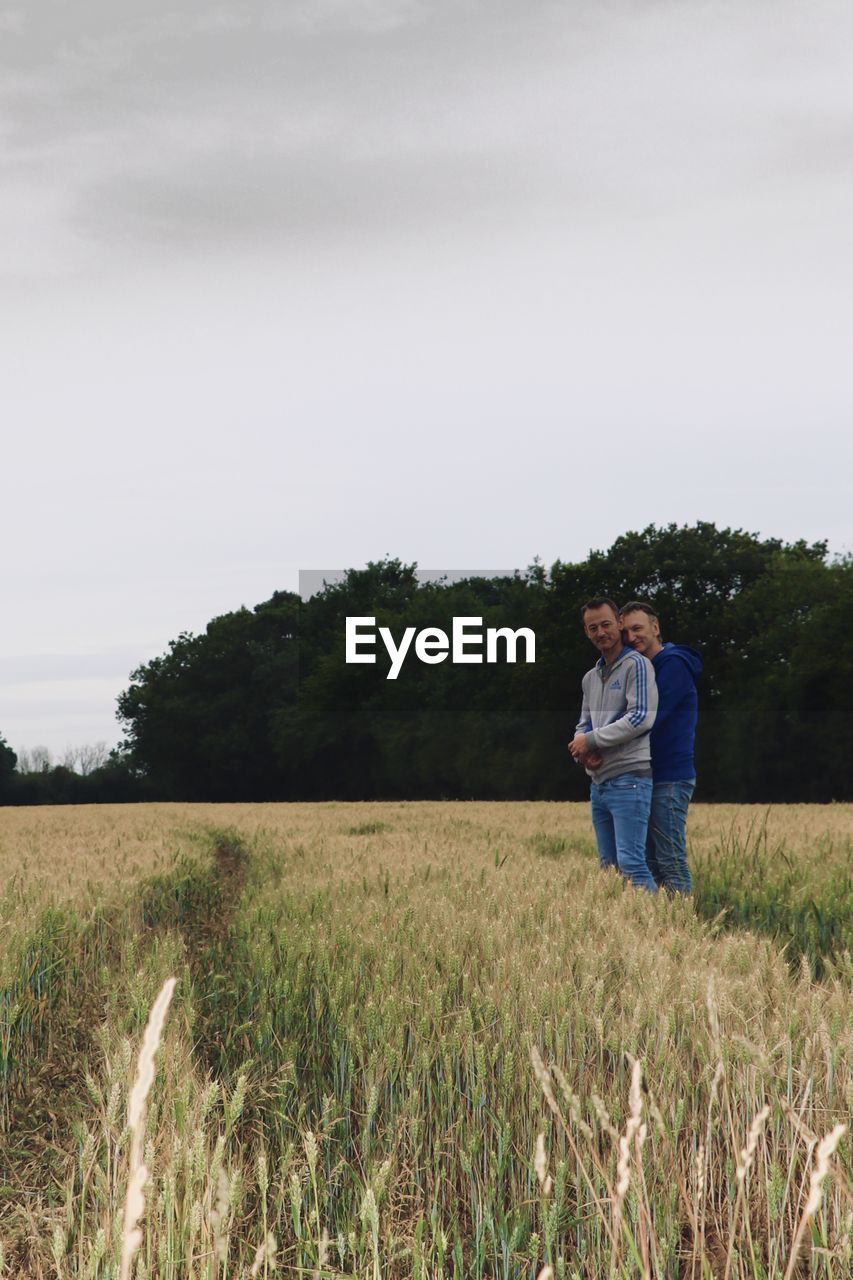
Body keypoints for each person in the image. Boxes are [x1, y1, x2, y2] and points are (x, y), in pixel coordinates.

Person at [568, 597, 659, 892]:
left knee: (632, 863)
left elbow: (641, 717)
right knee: (608, 867)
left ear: (619, 623)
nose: (600, 632)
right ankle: (627, 928)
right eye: (592, 628)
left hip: (630, 779)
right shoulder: (589, 678)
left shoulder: (638, 666)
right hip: (600, 784)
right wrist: (584, 754)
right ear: (586, 632)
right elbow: (584, 723)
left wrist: (591, 741)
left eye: (606, 624)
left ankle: (659, 926)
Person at [620, 601, 702, 895]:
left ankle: (681, 927)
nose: (631, 637)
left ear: (656, 627)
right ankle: (665, 929)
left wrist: (599, 743)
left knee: (670, 860)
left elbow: (649, 717)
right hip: (647, 775)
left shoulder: (674, 664)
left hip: (669, 775)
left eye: (637, 628)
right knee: (650, 861)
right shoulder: (641, 669)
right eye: (626, 632)